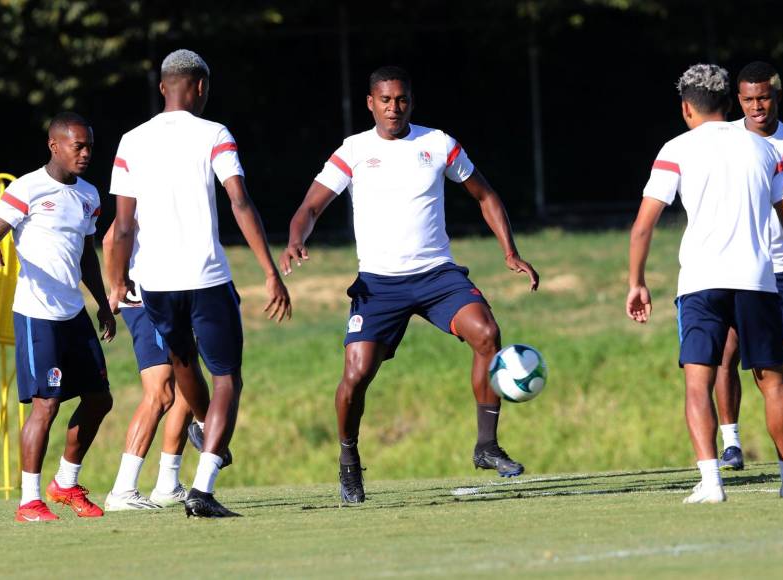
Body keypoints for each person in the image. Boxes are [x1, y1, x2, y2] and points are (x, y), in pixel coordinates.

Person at [279, 65, 540, 504]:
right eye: (385, 100)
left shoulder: (438, 144)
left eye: (401, 100)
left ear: (410, 102)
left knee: (488, 335)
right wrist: (294, 240)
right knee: (356, 375)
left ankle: (486, 446)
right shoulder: (354, 151)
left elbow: (485, 195)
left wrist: (509, 251)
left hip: (438, 276)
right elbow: (311, 206)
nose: (393, 108)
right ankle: (348, 464)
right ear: (371, 103)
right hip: (379, 285)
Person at [108, 49, 291, 518]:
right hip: (206, 277)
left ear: (164, 86)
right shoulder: (214, 133)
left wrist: (118, 280)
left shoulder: (130, 140)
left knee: (181, 358)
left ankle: (204, 426)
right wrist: (270, 271)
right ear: (200, 87)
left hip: (154, 282)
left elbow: (123, 226)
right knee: (228, 375)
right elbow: (240, 201)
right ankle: (203, 487)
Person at [627, 64, 783, 503]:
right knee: (772, 378)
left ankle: (712, 482)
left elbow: (643, 226)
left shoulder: (676, 149)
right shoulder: (767, 151)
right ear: (731, 104)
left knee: (698, 381)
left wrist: (637, 281)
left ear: (686, 107)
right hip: (759, 281)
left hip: (701, 282)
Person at [0, 112, 115, 521]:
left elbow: (87, 255)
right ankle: (28, 501)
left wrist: (103, 305)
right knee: (46, 404)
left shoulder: (89, 195)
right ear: (55, 146)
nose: (86, 153)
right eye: (78, 146)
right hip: (37, 314)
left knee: (99, 399)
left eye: (90, 145)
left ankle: (66, 484)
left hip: (74, 313)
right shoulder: (27, 189)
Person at [714, 61, 783, 470]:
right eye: (749, 100)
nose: (757, 107)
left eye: (764, 98)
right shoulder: (724, 139)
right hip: (736, 264)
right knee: (726, 352)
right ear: (738, 100)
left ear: (777, 97)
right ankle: (731, 443)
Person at [102, 219, 205, 511]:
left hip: (174, 299)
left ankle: (167, 485)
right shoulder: (145, 189)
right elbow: (111, 239)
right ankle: (122, 489)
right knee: (160, 393)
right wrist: (117, 288)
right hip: (147, 302)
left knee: (187, 387)